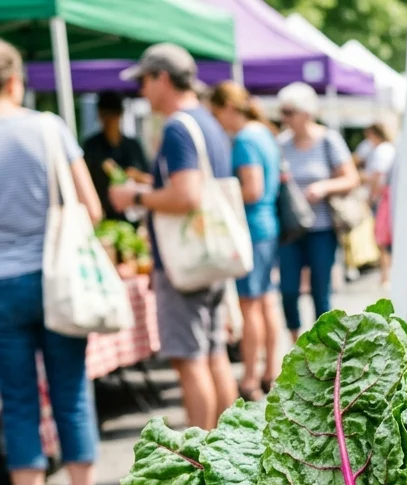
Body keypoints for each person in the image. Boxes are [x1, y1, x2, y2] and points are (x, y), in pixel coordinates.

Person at [0, 39, 103, 485]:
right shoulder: (48, 128)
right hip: (59, 279)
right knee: (72, 391)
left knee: (17, 403)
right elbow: (92, 207)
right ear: (16, 80)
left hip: (2, 289)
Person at [109, 43, 239, 431]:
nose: (142, 92)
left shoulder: (177, 127)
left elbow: (186, 195)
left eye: (145, 81)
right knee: (214, 355)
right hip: (211, 257)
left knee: (191, 360)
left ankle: (202, 455)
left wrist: (133, 196)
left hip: (186, 264)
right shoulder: (207, 122)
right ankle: (231, 445)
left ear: (162, 78)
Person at [209, 81, 281, 401]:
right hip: (267, 226)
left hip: (251, 229)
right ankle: (270, 370)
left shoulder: (246, 139)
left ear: (227, 108)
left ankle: (250, 377)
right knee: (265, 302)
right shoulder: (263, 132)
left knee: (250, 305)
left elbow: (251, 188)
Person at [275, 82, 359, 339]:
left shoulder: (328, 140)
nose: (285, 118)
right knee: (288, 289)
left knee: (320, 291)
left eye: (290, 112)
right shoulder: (281, 143)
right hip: (291, 228)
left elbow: (351, 178)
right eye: (283, 112)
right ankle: (296, 345)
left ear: (306, 113)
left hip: (321, 227)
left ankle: (324, 347)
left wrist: (323, 187)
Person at [82, 92, 150, 221]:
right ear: (99, 116)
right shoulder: (92, 146)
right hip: (102, 216)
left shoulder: (132, 146)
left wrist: (134, 175)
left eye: (111, 117)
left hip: (132, 215)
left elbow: (150, 180)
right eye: (104, 117)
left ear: (120, 115)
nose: (108, 122)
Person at [363, 122, 396, 287]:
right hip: (389, 197)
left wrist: (370, 199)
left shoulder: (380, 151)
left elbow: (377, 177)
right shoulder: (390, 148)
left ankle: (385, 276)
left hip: (383, 199)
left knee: (382, 239)